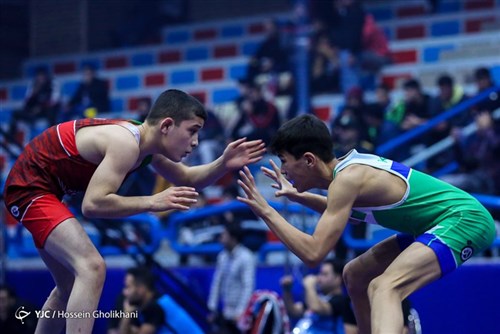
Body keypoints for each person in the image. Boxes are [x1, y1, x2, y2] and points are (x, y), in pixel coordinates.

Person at [3, 88, 266, 334]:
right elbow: (93, 205)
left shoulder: (146, 147)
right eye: (192, 131)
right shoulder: (126, 143)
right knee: (92, 267)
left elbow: (188, 177)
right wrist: (153, 201)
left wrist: (223, 163)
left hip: (47, 189)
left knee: (67, 287)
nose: (196, 142)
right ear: (166, 126)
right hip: (31, 186)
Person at [236, 114, 495, 334]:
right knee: (355, 274)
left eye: (284, 162)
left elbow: (313, 253)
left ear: (308, 160)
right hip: (434, 224)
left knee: (385, 286)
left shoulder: (347, 180)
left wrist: (267, 212)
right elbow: (338, 210)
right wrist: (296, 196)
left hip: (464, 219)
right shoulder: (347, 175)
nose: (284, 172)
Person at [280, 258, 357, 334]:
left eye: (324, 274)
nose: (319, 278)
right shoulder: (318, 299)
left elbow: (316, 307)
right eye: (319, 273)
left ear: (338, 278)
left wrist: (309, 285)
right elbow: (294, 311)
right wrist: (287, 291)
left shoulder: (342, 301)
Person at [118, 266, 203, 334]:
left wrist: (126, 316)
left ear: (141, 289)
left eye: (128, 287)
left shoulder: (155, 307)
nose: (125, 292)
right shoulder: (143, 306)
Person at [207, 222, 256, 334]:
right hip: (225, 312)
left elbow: (248, 287)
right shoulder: (222, 256)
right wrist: (212, 308)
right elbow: (217, 282)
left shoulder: (246, 257)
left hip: (239, 315)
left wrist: (241, 312)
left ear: (233, 237)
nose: (221, 237)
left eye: (224, 234)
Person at [8, 66, 60, 142]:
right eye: (38, 76)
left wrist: (41, 108)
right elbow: (26, 103)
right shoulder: (33, 86)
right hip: (34, 112)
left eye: (42, 76)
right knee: (16, 113)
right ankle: (10, 138)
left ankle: (52, 137)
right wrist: (34, 92)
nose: (40, 78)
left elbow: (54, 101)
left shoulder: (52, 84)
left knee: (52, 112)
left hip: (46, 111)